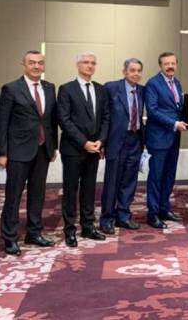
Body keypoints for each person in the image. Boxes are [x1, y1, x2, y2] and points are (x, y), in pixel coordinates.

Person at [0, 50, 58, 255]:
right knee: (13, 196)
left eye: (40, 63)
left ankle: (34, 232)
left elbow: (51, 120)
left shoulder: (50, 88)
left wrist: (53, 146)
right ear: (23, 64)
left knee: (38, 194)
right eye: (31, 63)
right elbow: (2, 122)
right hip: (18, 151)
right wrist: (1, 152)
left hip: (42, 150)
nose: (36, 66)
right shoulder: (11, 88)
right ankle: (10, 237)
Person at [57, 52, 109, 247]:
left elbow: (106, 118)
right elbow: (64, 120)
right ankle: (70, 230)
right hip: (73, 149)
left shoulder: (101, 89)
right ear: (78, 65)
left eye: (93, 63)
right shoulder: (66, 89)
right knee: (70, 190)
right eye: (86, 62)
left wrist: (101, 141)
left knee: (89, 189)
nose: (90, 66)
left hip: (94, 149)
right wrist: (84, 142)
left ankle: (88, 227)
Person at [100, 58, 145, 233]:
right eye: (132, 70)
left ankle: (123, 215)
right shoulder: (111, 88)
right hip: (116, 141)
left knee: (129, 181)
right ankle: (107, 218)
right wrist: (102, 141)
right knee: (112, 181)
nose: (136, 74)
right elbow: (103, 116)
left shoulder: (142, 90)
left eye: (139, 71)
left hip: (135, 140)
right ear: (124, 71)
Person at [144, 52, 186, 229]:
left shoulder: (177, 83)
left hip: (174, 138)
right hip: (158, 138)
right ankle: (153, 214)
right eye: (166, 64)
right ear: (160, 65)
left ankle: (164, 208)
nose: (170, 66)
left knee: (169, 175)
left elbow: (178, 109)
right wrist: (174, 123)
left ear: (176, 64)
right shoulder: (153, 84)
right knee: (156, 176)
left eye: (173, 63)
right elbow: (152, 110)